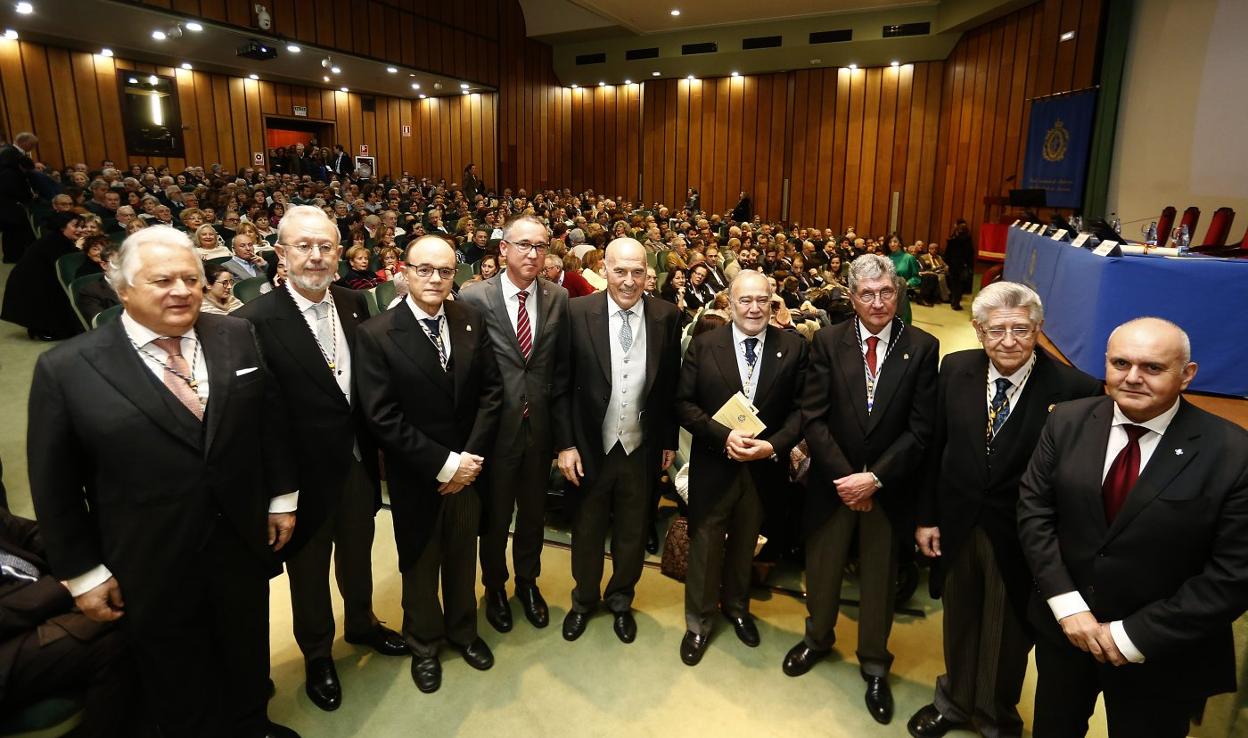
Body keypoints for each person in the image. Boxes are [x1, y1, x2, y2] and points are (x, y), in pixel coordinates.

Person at [26, 225, 301, 738]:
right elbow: (54, 484)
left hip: (240, 539)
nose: (180, 290)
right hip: (149, 554)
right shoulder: (68, 368)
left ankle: (250, 723)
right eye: (161, 280)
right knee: (175, 669)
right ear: (122, 288)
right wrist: (83, 573)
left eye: (190, 278)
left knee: (246, 646)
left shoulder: (235, 335)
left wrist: (282, 498)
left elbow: (269, 422)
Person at [1017, 317, 1248, 738]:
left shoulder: (1233, 452)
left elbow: (1234, 573)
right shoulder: (1066, 420)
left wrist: (1130, 636)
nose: (1133, 378)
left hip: (1160, 653)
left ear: (1187, 374)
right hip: (1066, 636)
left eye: (1153, 368)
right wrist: (1069, 608)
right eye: (1121, 363)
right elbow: (1035, 511)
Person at [907, 282, 1103, 738]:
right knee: (959, 619)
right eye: (997, 330)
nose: (1009, 341)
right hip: (956, 524)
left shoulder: (1075, 389)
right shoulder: (955, 369)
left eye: (1021, 329)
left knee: (1008, 632)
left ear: (1038, 329)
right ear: (978, 331)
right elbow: (936, 449)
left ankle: (996, 716)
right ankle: (954, 701)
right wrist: (926, 517)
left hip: (1023, 538)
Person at [237, 205, 406, 712]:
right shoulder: (251, 322)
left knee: (357, 554)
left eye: (326, 247)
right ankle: (317, 654)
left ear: (339, 253)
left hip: (356, 465)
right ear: (281, 255)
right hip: (300, 480)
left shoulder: (356, 304)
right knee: (307, 574)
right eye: (303, 246)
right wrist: (278, 496)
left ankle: (361, 623)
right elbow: (259, 422)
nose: (316, 256)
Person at [782, 253, 938, 727]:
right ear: (851, 298)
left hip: (888, 489)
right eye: (866, 294)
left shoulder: (923, 346)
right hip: (834, 484)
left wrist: (876, 478)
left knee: (878, 581)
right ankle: (817, 639)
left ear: (899, 294)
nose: (877, 302)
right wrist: (848, 479)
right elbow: (814, 416)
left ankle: (874, 662)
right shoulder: (828, 342)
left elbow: (921, 428)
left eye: (886, 292)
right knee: (823, 570)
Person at [355, 235, 503, 693]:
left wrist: (469, 462)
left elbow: (492, 393)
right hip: (418, 475)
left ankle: (463, 631)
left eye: (444, 271)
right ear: (404, 270)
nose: (435, 279)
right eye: (424, 269)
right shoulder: (377, 332)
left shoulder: (469, 320)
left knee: (462, 557)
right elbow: (382, 417)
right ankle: (424, 643)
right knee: (419, 563)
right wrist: (444, 465)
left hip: (469, 472)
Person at [675, 271, 808, 666]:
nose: (753, 308)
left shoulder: (794, 347)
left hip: (763, 469)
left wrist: (771, 446)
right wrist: (721, 436)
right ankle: (698, 623)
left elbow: (803, 410)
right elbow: (683, 404)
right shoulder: (704, 345)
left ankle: (736, 608)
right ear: (729, 304)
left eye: (761, 300)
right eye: (744, 300)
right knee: (706, 545)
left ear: (772, 302)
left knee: (747, 542)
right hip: (715, 465)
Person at [555, 238, 681, 643]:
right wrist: (566, 444)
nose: (629, 281)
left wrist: (667, 441)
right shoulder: (576, 312)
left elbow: (669, 387)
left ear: (649, 273)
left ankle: (621, 599)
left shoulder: (667, 315)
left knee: (631, 532)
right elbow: (559, 384)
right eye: (620, 271)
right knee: (587, 530)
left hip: (640, 448)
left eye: (638, 272)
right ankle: (583, 600)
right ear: (603, 269)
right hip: (591, 446)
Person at [459, 215, 570, 636]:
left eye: (541, 246)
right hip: (495, 429)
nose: (533, 254)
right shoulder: (473, 297)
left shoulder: (558, 297)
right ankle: (495, 588)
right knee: (496, 517)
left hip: (539, 428)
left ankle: (527, 582)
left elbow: (558, 371)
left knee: (533, 515)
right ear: (502, 249)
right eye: (523, 245)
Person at [0, 507, 135, 738]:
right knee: (112, 642)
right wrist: (62, 588)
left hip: (37, 598)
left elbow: (29, 533)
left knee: (121, 587)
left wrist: (79, 562)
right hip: (7, 640)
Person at [0, 211, 84, 340]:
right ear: (62, 227)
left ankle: (39, 329)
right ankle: (41, 329)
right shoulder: (54, 241)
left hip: (39, 278)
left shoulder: (59, 238)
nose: (80, 230)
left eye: (81, 226)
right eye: (75, 226)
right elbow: (62, 264)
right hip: (31, 282)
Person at [0, 132, 38, 263]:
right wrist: (26, 195)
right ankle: (13, 256)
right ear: (24, 142)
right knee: (13, 229)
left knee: (12, 230)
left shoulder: (9, 153)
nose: (32, 148)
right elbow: (13, 181)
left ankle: (13, 255)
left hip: (8, 199)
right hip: (10, 200)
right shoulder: (10, 154)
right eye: (32, 145)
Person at [945, 220, 972, 311]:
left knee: (954, 284)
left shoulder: (951, 240)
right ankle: (956, 303)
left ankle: (953, 301)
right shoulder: (967, 240)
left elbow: (946, 255)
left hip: (953, 265)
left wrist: (949, 263)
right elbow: (970, 254)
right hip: (962, 266)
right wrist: (968, 265)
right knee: (960, 285)